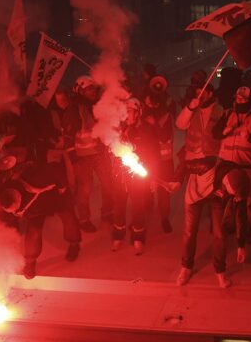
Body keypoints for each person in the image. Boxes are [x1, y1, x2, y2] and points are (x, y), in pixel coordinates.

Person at [175, 80, 229, 287]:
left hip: (214, 174)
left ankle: (220, 270)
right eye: (198, 92)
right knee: (189, 230)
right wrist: (190, 107)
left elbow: (225, 139)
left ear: (211, 92)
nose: (201, 95)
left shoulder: (222, 111)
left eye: (204, 92)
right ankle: (186, 267)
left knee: (219, 232)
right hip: (194, 176)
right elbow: (179, 125)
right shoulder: (192, 111)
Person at [0, 156, 81, 280]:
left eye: (17, 210)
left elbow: (55, 168)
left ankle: (74, 243)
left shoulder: (36, 177)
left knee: (68, 218)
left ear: (19, 199)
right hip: (35, 208)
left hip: (55, 195)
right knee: (33, 231)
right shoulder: (7, 190)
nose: (17, 213)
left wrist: (62, 186)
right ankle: (30, 261)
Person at [212, 85, 251, 262]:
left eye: (244, 99)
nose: (240, 101)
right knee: (224, 199)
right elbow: (215, 133)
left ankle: (247, 231)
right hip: (226, 164)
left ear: (249, 99)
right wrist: (223, 131)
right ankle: (226, 229)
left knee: (246, 203)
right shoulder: (227, 113)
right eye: (238, 98)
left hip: (246, 166)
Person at [64, 76, 115, 232]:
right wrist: (74, 158)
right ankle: (84, 219)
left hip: (100, 155)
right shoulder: (73, 110)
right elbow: (68, 137)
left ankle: (107, 213)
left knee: (108, 185)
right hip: (82, 157)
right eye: (89, 89)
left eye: (94, 89)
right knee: (85, 190)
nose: (93, 92)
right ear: (80, 91)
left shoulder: (99, 106)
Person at [111, 98, 157, 254]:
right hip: (120, 175)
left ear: (138, 113)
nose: (127, 115)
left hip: (137, 176)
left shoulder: (146, 130)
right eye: (126, 112)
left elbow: (152, 154)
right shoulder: (118, 129)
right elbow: (111, 149)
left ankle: (138, 237)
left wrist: (152, 177)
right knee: (119, 206)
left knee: (138, 206)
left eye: (130, 112)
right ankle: (118, 236)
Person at [143, 75, 177, 234]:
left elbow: (164, 137)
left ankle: (164, 219)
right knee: (144, 190)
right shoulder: (143, 110)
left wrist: (154, 123)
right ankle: (143, 216)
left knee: (164, 191)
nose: (154, 100)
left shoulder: (165, 116)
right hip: (147, 159)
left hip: (163, 161)